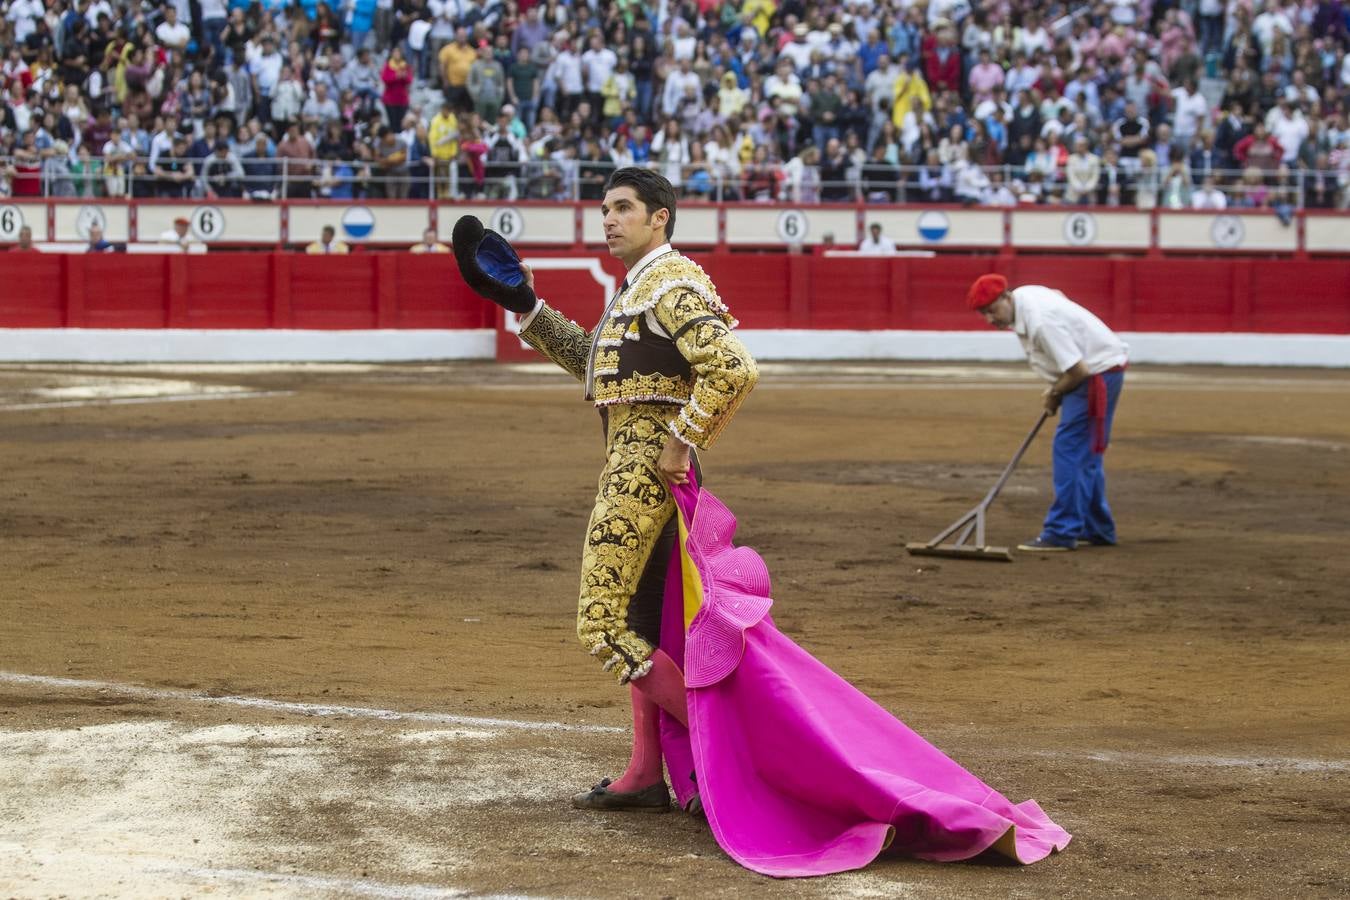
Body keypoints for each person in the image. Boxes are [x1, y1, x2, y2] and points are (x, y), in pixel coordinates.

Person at [451, 167, 758, 813]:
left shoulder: (670, 282)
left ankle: (726, 757)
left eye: (623, 208)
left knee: (602, 625)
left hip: (646, 466)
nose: (609, 220)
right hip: (639, 461)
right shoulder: (641, 287)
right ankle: (647, 770)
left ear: (660, 218)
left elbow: (732, 367)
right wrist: (527, 308)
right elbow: (602, 363)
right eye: (605, 209)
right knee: (643, 621)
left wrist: (683, 438)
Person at [967, 274, 1128, 551]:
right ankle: (1097, 528)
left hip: (1094, 375)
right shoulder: (1027, 295)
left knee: (1069, 450)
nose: (990, 320)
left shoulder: (1040, 323)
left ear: (1007, 297)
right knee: (1085, 454)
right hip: (1098, 370)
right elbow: (1059, 298)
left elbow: (1078, 371)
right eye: (984, 314)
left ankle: (1061, 531)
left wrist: (1055, 392)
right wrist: (1057, 389)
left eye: (993, 310)